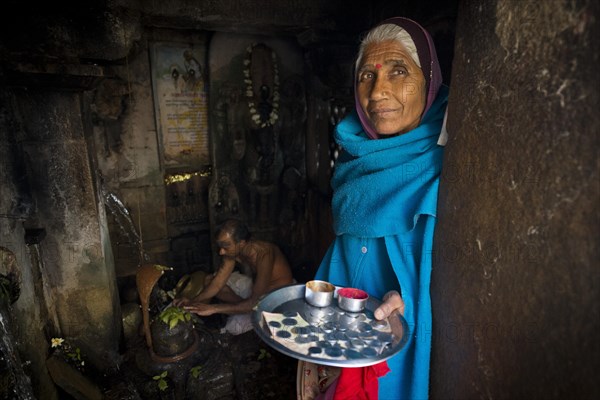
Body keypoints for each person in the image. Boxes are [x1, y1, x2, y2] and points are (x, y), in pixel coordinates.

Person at [311, 17, 448, 399]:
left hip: (403, 342)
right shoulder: (354, 161)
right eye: (366, 77)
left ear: (431, 80)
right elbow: (342, 254)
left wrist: (407, 296)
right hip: (346, 333)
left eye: (398, 71)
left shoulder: (449, 165)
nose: (377, 93)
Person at [174, 219, 294, 335]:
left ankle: (245, 309)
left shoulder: (264, 253)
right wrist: (193, 302)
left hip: (278, 296)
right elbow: (217, 284)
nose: (221, 252)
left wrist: (213, 308)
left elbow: (255, 302)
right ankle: (243, 307)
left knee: (232, 328)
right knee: (209, 280)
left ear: (241, 243)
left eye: (225, 246)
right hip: (256, 291)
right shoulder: (233, 251)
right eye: (220, 246)